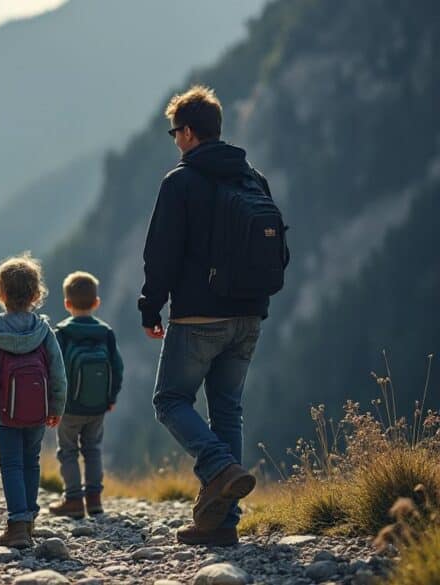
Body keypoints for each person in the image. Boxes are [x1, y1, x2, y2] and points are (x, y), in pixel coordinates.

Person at [140, 85, 287, 546]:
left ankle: (220, 468)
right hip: (250, 312)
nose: (174, 140)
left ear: (186, 132)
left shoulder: (180, 182)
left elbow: (161, 254)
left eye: (174, 132)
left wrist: (151, 305)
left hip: (199, 316)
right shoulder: (252, 178)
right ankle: (222, 525)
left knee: (169, 401)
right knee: (228, 408)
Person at [0, 254, 67, 548]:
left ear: (0, 294)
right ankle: (28, 522)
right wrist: (57, 407)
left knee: (11, 464)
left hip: (5, 413)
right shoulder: (44, 330)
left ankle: (16, 524)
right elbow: (58, 373)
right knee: (31, 462)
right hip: (38, 411)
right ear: (36, 294)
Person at [48, 271, 123, 518]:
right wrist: (110, 398)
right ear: (96, 303)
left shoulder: (62, 332)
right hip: (98, 407)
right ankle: (94, 500)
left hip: (69, 407)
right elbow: (117, 367)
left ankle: (73, 500)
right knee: (93, 449)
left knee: (67, 451)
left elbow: (54, 370)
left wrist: (54, 402)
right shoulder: (106, 332)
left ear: (67, 303)